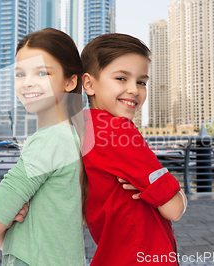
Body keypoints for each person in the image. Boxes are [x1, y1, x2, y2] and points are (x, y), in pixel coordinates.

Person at [0, 28, 85, 266]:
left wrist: (2, 217)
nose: (27, 83)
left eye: (42, 73)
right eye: (20, 74)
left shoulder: (48, 141)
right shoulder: (74, 136)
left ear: (70, 81)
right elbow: (8, 237)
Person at [80, 33, 188, 265]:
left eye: (141, 82)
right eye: (121, 78)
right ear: (89, 83)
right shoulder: (119, 131)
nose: (134, 90)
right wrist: (176, 194)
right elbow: (174, 208)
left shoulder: (83, 127)